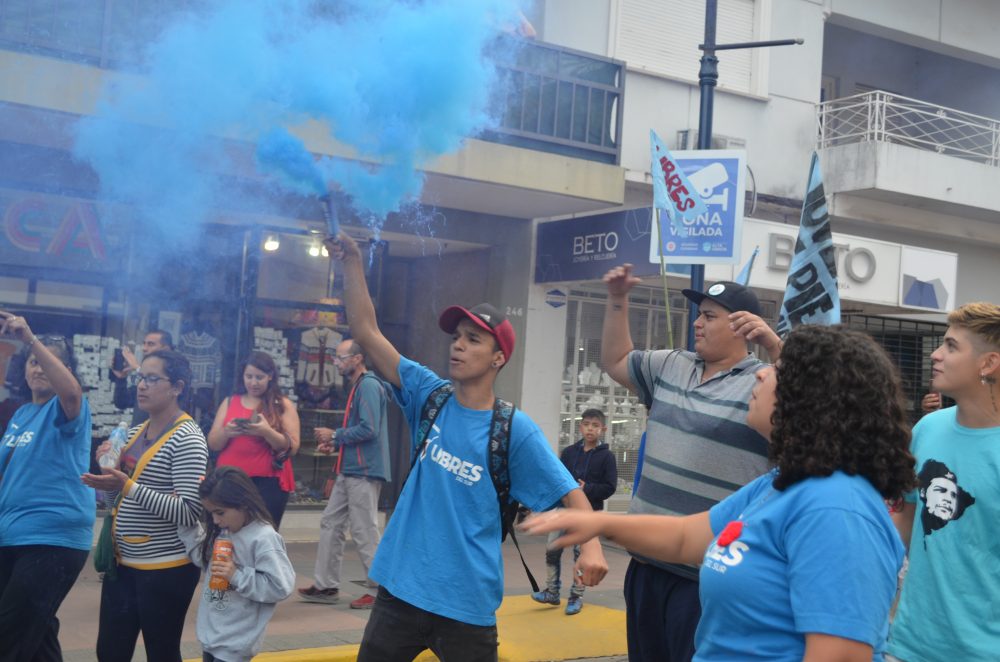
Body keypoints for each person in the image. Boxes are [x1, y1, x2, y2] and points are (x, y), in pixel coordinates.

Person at [524, 324, 916, 661]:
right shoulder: (781, 483)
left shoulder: (838, 509)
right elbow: (684, 538)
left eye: (778, 370)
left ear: (814, 397)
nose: (761, 376)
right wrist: (595, 521)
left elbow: (841, 655)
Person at [326, 233, 608, 662]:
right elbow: (366, 332)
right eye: (457, 336)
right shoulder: (429, 393)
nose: (458, 344)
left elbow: (571, 493)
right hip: (399, 592)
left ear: (499, 358)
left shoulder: (514, 430)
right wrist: (352, 263)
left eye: (473, 339)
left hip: (466, 606)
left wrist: (592, 547)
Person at [600, 264, 783, 661]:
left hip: (709, 579)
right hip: (646, 568)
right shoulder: (671, 364)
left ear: (742, 327)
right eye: (698, 315)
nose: (697, 324)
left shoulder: (766, 383)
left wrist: (774, 344)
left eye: (710, 316)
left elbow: (813, 396)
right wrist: (617, 300)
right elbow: (616, 361)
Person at [888, 302, 1000, 661]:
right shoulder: (927, 428)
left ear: (988, 363)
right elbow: (903, 520)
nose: (935, 355)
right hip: (905, 644)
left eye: (951, 346)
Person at [82, 349, 209, 662]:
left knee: (161, 653)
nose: (142, 386)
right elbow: (118, 502)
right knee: (110, 652)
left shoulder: (188, 438)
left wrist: (126, 484)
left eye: (153, 379)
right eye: (141, 378)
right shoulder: (136, 432)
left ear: (177, 387)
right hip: (123, 566)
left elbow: (191, 510)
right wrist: (108, 476)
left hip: (166, 570)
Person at [0, 313, 93, 662]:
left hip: (51, 538)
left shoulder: (69, 408)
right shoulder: (21, 414)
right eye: (32, 362)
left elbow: (70, 392)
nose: (38, 368)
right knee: (36, 638)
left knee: (8, 638)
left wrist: (30, 339)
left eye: (46, 363)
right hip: (12, 535)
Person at [298, 339, 390, 609]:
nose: (336, 362)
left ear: (358, 358)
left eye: (340, 358)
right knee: (331, 523)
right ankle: (326, 586)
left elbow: (369, 429)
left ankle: (378, 593)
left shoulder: (369, 386)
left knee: (364, 530)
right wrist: (336, 442)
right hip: (352, 469)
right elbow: (365, 431)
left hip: (362, 471)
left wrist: (335, 435)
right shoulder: (362, 386)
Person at [179, 465, 295, 662]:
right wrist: (182, 516)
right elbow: (203, 558)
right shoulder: (224, 531)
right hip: (212, 638)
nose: (215, 520)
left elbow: (280, 586)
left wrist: (236, 575)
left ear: (243, 504)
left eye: (220, 513)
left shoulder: (263, 538)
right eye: (211, 514)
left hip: (234, 645)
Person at [531, 408, 616, 616]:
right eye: (587, 424)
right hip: (562, 512)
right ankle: (551, 591)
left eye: (595, 426)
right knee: (552, 549)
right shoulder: (569, 453)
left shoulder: (607, 457)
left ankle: (576, 596)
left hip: (589, 516)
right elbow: (556, 479)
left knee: (582, 554)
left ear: (603, 429)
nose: (590, 429)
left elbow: (610, 487)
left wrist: (587, 488)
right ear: (580, 426)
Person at [208, 351, 301, 528]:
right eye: (248, 376)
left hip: (267, 483)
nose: (253, 382)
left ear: (270, 377)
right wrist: (227, 432)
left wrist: (266, 432)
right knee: (224, 535)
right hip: (229, 480)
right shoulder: (230, 402)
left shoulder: (282, 404)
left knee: (262, 533)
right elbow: (213, 443)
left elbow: (293, 447)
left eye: (259, 377)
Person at [110, 329, 174, 427]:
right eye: (144, 344)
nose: (144, 348)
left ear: (165, 349)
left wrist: (137, 368)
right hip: (139, 436)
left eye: (150, 344)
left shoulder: (173, 373)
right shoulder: (142, 378)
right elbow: (121, 403)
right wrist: (121, 378)